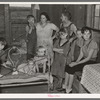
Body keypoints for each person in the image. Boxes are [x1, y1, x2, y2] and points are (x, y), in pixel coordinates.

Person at [63, 27, 99, 93]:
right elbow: (81, 54)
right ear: (82, 34)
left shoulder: (93, 43)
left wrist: (76, 63)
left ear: (90, 34)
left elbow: (88, 58)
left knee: (72, 68)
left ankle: (69, 88)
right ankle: (65, 85)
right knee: (68, 66)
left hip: (91, 62)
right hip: (84, 59)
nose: (87, 36)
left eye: (88, 34)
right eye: (85, 34)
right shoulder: (82, 41)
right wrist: (76, 61)